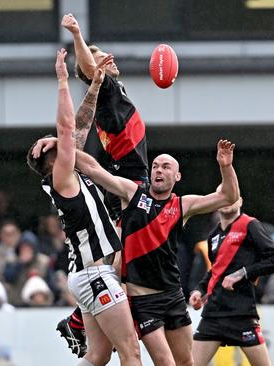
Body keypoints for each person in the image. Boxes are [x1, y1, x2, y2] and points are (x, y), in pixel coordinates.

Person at [34, 131, 240, 365]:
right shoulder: (133, 193)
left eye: (165, 167)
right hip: (144, 301)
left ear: (178, 176)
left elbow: (228, 196)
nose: (158, 170)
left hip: (173, 295)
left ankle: (76, 321)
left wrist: (226, 166)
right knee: (165, 363)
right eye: (155, 166)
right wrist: (63, 146)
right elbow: (94, 169)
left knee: (186, 363)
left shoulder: (182, 205)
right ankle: (77, 320)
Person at [27, 48, 141, 366]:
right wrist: (63, 80)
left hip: (88, 274)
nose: (56, 142)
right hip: (94, 274)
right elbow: (66, 130)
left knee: (98, 355)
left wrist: (94, 85)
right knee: (130, 350)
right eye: (50, 145)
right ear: (47, 160)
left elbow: (78, 127)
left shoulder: (69, 171)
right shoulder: (60, 176)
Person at [57, 12, 152, 357]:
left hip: (127, 179)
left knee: (119, 254)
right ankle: (83, 319)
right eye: (99, 58)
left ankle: (80, 320)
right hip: (127, 180)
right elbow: (84, 68)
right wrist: (79, 35)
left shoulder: (113, 91)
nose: (106, 60)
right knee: (125, 254)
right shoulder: (106, 89)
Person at [189, 194, 274, 366]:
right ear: (217, 203)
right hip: (213, 315)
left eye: (232, 196)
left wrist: (242, 273)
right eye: (223, 196)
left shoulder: (250, 225)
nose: (227, 200)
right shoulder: (213, 235)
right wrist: (199, 290)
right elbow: (215, 271)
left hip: (241, 314)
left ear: (240, 201)